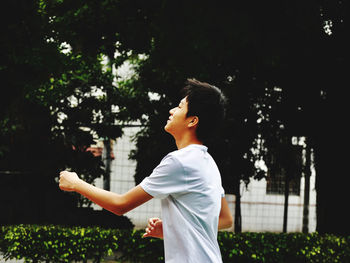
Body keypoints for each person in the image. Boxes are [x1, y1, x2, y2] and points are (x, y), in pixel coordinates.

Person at [59, 78, 233, 263]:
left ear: (192, 121)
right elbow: (225, 219)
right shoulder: (208, 162)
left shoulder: (180, 162)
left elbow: (120, 205)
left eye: (180, 107)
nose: (172, 111)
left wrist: (76, 184)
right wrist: (173, 230)